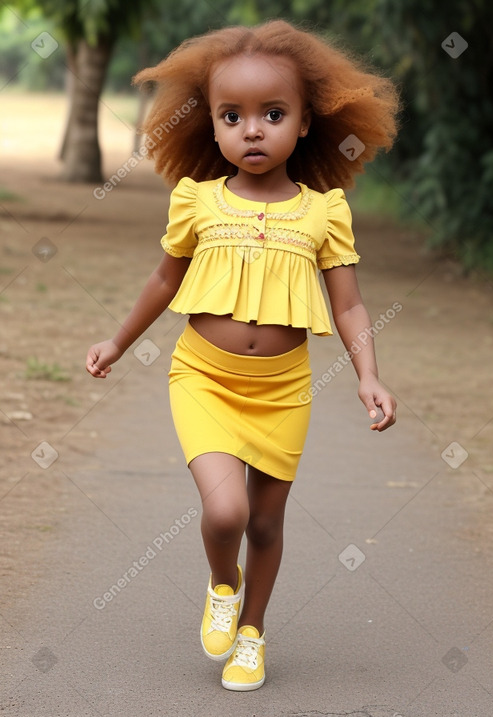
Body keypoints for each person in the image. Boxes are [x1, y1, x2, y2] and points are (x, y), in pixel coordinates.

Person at [86, 19, 399, 692]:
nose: (251, 129)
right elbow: (164, 280)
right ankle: (221, 584)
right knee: (225, 512)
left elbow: (347, 305)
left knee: (264, 520)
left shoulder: (324, 212)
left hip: (282, 388)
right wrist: (116, 342)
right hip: (203, 376)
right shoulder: (196, 200)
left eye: (273, 113)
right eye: (233, 115)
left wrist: (368, 374)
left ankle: (252, 630)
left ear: (308, 121)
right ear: (211, 125)